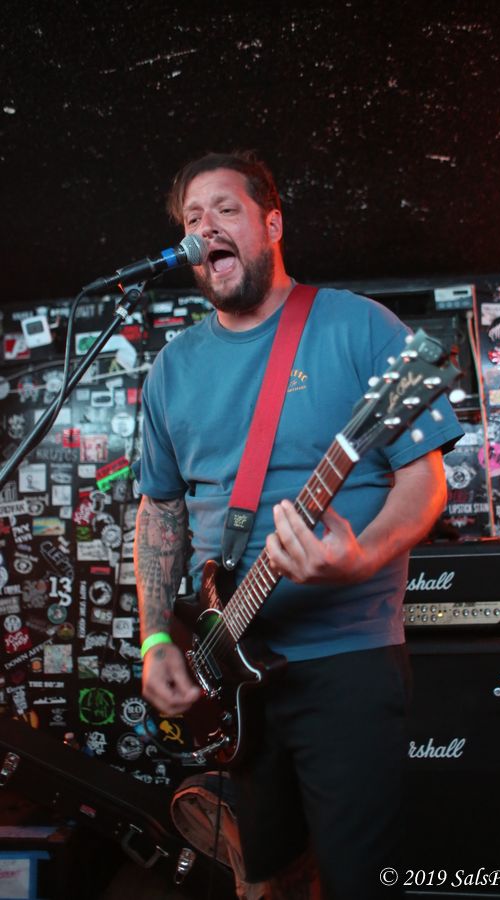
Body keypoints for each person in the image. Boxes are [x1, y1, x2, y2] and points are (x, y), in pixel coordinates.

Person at [133, 151, 463, 900]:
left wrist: (361, 556)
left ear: (273, 224)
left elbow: (425, 481)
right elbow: (160, 511)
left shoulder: (358, 326)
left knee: (360, 880)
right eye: (192, 219)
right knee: (264, 876)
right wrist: (155, 639)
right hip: (227, 665)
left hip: (347, 658)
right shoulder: (172, 369)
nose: (205, 228)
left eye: (225, 209)